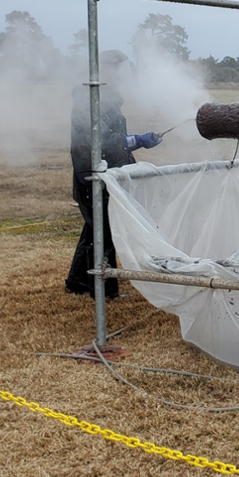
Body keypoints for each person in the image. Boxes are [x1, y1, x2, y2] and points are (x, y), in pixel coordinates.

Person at [66, 51, 163, 297]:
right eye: (118, 70)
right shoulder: (90, 101)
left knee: (93, 229)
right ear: (104, 71)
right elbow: (101, 141)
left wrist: (132, 149)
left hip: (104, 171)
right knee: (104, 232)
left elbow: (113, 141)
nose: (122, 76)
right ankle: (104, 291)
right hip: (93, 175)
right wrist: (136, 140)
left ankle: (78, 282)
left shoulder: (106, 99)